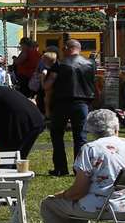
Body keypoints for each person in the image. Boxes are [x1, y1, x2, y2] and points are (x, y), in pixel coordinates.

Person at [42, 39, 98, 178]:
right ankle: (79, 169)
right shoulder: (90, 64)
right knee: (80, 137)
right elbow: (95, 85)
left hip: (62, 102)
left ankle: (60, 168)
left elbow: (48, 85)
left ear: (67, 48)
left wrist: (43, 79)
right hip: (82, 103)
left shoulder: (59, 64)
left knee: (57, 135)